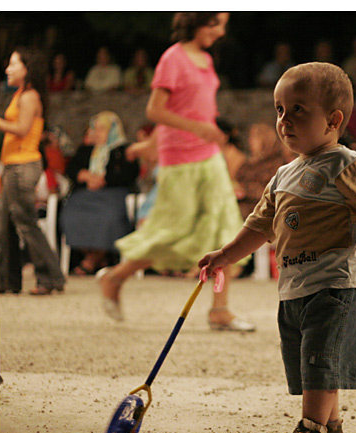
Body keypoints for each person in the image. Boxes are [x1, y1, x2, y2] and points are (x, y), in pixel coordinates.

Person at [198, 62, 356, 433]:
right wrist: (225, 255)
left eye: (297, 110)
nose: (284, 120)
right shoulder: (283, 175)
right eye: (279, 110)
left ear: (333, 120)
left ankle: (310, 429)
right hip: (296, 285)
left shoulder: (346, 164)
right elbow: (259, 226)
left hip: (337, 285)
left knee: (321, 357)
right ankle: (333, 426)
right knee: (310, 359)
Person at [98, 12, 254, 333]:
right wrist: (193, 130)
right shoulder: (173, 58)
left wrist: (204, 130)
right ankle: (116, 277)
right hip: (179, 159)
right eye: (215, 23)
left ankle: (220, 310)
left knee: (225, 228)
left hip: (209, 157)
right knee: (174, 231)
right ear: (197, 21)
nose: (220, 31)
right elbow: (155, 110)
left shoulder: (206, 61)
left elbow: (196, 108)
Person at [0, 47, 65, 295]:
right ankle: (7, 281)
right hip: (13, 165)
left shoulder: (29, 97)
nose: (8, 69)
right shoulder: (20, 94)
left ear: (27, 69)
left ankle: (50, 277)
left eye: (13, 64)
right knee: (4, 226)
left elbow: (23, 128)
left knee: (26, 223)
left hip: (24, 165)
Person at [60, 111, 140, 275]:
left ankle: (91, 261)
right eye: (94, 129)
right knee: (71, 216)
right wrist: (85, 175)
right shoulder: (86, 149)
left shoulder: (124, 150)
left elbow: (129, 173)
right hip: (84, 195)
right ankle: (97, 258)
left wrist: (105, 178)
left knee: (108, 218)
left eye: (102, 129)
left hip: (112, 194)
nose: (97, 133)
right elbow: (71, 169)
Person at [234, 122, 294, 219]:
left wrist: (245, 190)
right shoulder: (249, 164)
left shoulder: (275, 164)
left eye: (255, 138)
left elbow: (272, 193)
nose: (250, 141)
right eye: (250, 137)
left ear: (265, 140)